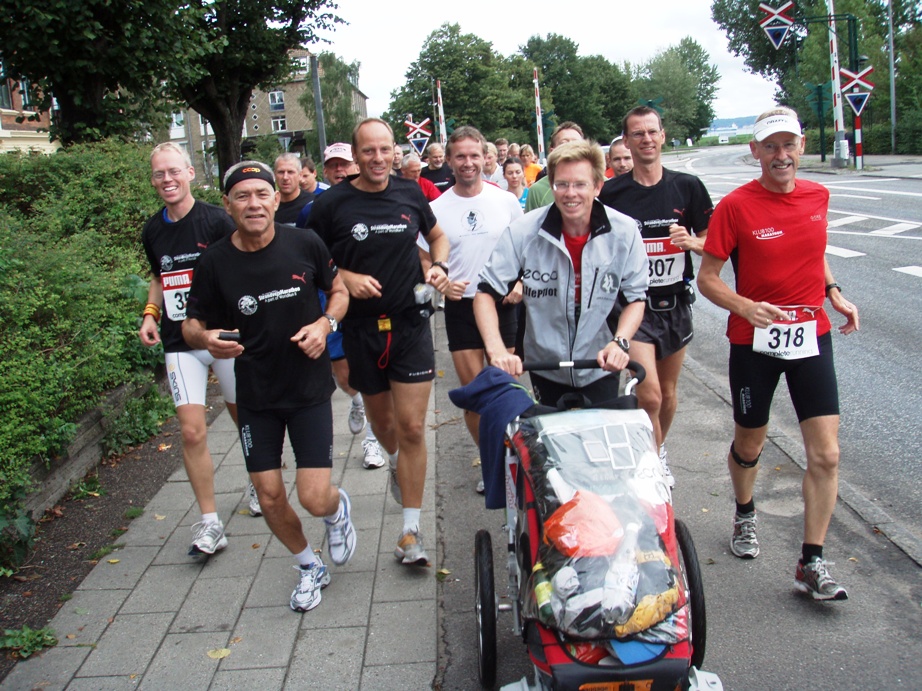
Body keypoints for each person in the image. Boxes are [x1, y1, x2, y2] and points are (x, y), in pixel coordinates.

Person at [696, 107, 858, 601]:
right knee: (750, 442)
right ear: (756, 152)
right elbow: (707, 279)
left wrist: (832, 290)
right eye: (770, 146)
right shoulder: (736, 207)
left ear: (802, 147)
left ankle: (812, 561)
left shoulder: (819, 195)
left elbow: (814, 249)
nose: (780, 155)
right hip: (755, 340)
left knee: (826, 453)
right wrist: (748, 307)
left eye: (788, 145)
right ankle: (745, 514)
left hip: (811, 332)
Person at [183, 161, 357, 613]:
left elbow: (338, 289)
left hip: (307, 388)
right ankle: (308, 566)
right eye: (242, 196)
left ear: (277, 198)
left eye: (262, 194)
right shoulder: (215, 261)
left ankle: (337, 512)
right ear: (228, 205)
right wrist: (204, 339)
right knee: (269, 495)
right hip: (254, 394)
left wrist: (325, 323)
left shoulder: (305, 242)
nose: (254, 203)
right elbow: (191, 323)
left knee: (313, 496)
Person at [307, 118, 451, 567]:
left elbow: (437, 235)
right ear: (355, 155)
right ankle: (393, 461)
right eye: (368, 151)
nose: (377, 158)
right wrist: (344, 277)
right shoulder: (332, 204)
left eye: (384, 149)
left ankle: (410, 531)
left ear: (394, 151)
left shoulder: (411, 191)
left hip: (409, 323)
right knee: (386, 427)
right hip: (362, 330)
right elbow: (308, 258)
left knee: (412, 428)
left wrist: (439, 267)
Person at [139, 142, 258, 557]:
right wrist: (151, 313)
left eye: (174, 171)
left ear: (190, 173)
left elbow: (244, 263)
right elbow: (159, 276)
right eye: (159, 174)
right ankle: (210, 523)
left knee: (245, 418)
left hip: (223, 336)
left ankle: (258, 482)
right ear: (153, 180)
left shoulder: (214, 220)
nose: (167, 180)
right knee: (190, 430)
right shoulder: (153, 230)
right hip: (180, 342)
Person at [475, 140, 647, 406]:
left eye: (580, 184)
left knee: (598, 443)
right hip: (545, 363)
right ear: (551, 185)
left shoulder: (623, 231)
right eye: (562, 184)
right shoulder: (524, 231)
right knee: (550, 444)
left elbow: (636, 297)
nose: (570, 193)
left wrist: (620, 342)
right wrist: (497, 349)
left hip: (600, 361)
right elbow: (485, 293)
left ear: (598, 186)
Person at [598, 106, 713, 487]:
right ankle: (652, 464)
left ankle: (657, 447)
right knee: (648, 394)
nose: (646, 139)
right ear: (627, 142)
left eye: (652, 132)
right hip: (634, 306)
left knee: (668, 392)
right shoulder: (613, 193)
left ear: (663, 135)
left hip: (675, 302)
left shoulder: (688, 186)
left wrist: (692, 242)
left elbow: (714, 241)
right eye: (637, 134)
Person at [421, 126, 523, 491]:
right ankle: (492, 459)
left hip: (502, 304)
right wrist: (441, 282)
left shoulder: (505, 201)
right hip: (461, 306)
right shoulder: (435, 208)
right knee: (476, 392)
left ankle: (512, 456)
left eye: (473, 155)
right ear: (449, 161)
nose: (467, 162)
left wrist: (520, 283)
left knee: (504, 388)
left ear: (485, 157)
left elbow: (524, 249)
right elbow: (423, 255)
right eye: (460, 156)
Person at [295, 143, 387, 471]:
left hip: (368, 299)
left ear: (357, 165)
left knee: (374, 369)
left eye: (344, 164)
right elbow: (303, 255)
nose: (339, 171)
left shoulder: (375, 201)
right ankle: (359, 400)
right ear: (325, 170)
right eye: (332, 165)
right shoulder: (312, 210)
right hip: (330, 297)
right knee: (342, 370)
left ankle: (374, 442)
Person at [525, 122, 585, 211]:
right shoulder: (536, 191)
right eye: (564, 143)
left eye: (576, 142)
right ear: (552, 151)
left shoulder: (602, 183)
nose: (571, 147)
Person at [274, 153, 312, 225]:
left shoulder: (312, 204)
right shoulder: (268, 205)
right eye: (281, 172)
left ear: (300, 175)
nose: (285, 177)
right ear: (275, 175)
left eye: (290, 172)